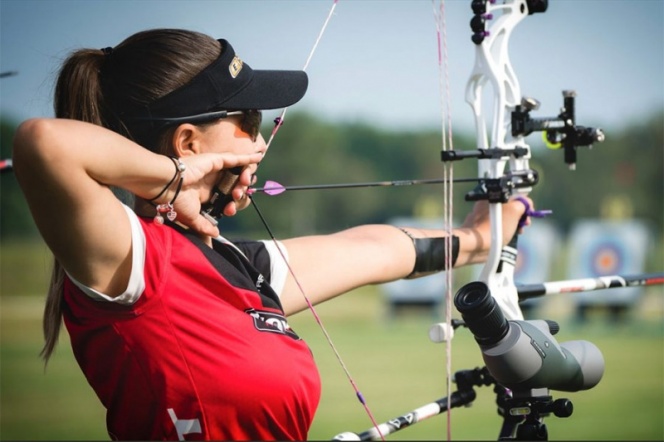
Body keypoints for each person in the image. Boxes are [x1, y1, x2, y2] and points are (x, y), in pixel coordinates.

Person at [12, 29, 532, 441]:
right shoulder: (129, 258)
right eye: (248, 121)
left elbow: (372, 250)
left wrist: (481, 237)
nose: (261, 142)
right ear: (189, 141)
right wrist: (176, 178)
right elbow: (45, 143)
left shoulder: (237, 263)